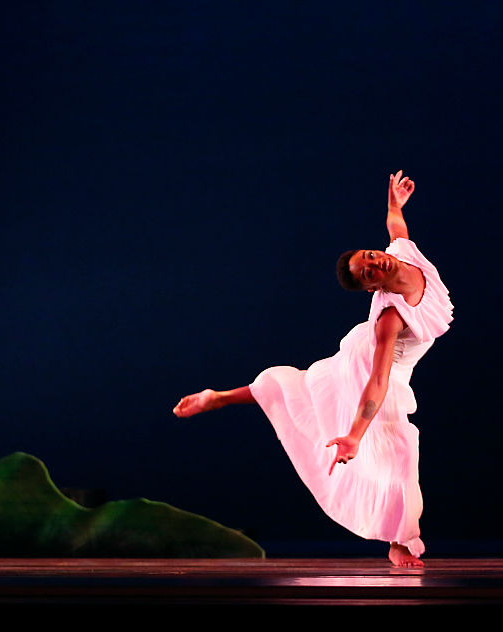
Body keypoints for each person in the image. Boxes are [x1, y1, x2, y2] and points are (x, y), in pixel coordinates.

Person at [173, 172, 452, 567]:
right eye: (367, 271)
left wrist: (394, 204)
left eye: (370, 257)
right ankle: (400, 541)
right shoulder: (391, 316)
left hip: (363, 352)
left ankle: (219, 397)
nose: (375, 262)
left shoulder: (403, 253)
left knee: (299, 386)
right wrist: (354, 436)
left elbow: (396, 229)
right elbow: (377, 380)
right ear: (372, 289)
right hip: (372, 367)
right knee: (399, 453)